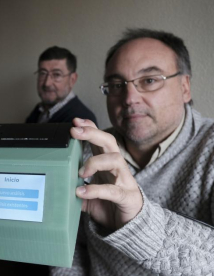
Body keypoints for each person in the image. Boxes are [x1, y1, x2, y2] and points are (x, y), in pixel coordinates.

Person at [51, 29, 214, 275]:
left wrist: (140, 221)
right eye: (117, 84)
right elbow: (70, 246)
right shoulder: (87, 150)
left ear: (185, 87)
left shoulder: (210, 152)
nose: (129, 97)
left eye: (149, 80)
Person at [25, 46, 97, 125]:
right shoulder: (39, 111)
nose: (47, 83)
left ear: (72, 79)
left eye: (56, 74)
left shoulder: (82, 120)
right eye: (42, 73)